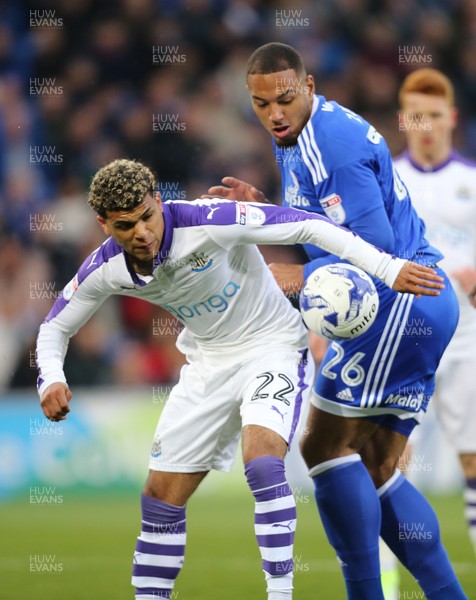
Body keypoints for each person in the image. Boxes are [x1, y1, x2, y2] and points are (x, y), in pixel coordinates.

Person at [35, 159, 440, 600]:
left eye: (147, 216)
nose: (141, 233)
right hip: (207, 364)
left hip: (271, 345)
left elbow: (306, 226)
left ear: (157, 200)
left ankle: (279, 595)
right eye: (125, 225)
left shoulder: (209, 220)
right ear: (104, 224)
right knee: (159, 499)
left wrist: (386, 268)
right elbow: (55, 328)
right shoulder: (104, 268)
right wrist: (50, 379)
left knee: (262, 461)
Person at [206, 43, 467, 599]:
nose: (273, 113)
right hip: (408, 305)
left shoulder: (331, 144)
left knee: (324, 449)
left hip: (400, 302)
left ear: (309, 84)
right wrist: (273, 215)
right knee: (376, 464)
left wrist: (296, 276)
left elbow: (375, 251)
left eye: (284, 98)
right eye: (260, 103)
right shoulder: (297, 134)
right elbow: (323, 225)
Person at [395, 68, 476, 558]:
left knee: (473, 456)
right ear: (404, 121)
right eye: (417, 117)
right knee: (392, 459)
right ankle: (388, 579)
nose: (427, 126)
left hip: (467, 336)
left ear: (453, 118)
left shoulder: (472, 182)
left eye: (435, 116)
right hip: (406, 338)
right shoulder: (389, 180)